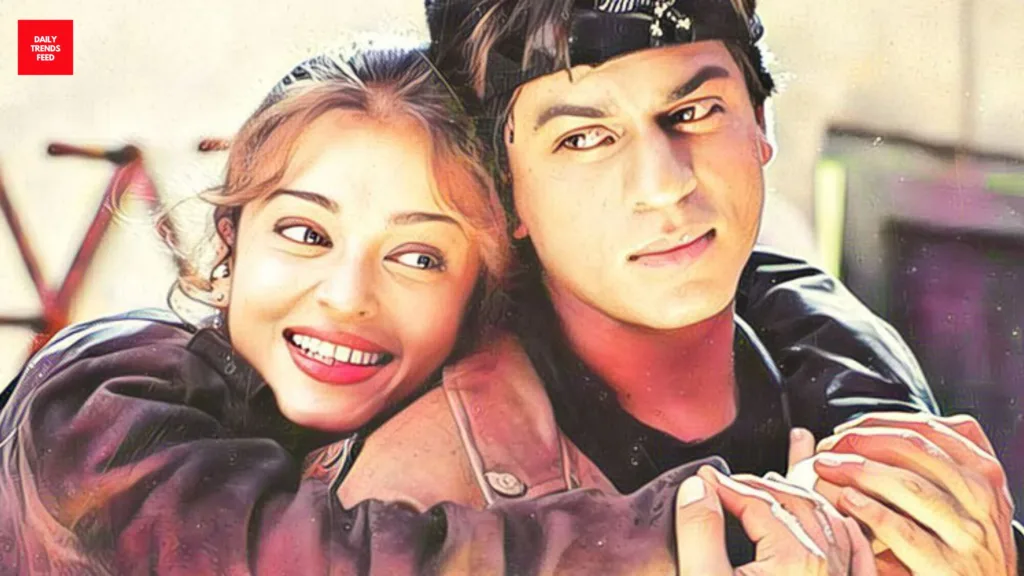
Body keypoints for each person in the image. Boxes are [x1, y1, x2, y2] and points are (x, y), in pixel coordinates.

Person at [0, 41, 869, 575]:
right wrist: (673, 536)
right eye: (304, 233)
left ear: (480, 296)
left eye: (418, 257)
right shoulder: (97, 398)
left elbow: (771, 287)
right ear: (232, 242)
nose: (347, 296)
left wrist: (884, 421)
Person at [410, 0, 1022, 572]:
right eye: (583, 139)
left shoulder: (856, 369)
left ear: (760, 121)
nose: (664, 184)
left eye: (694, 112)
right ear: (504, 187)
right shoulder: (424, 492)